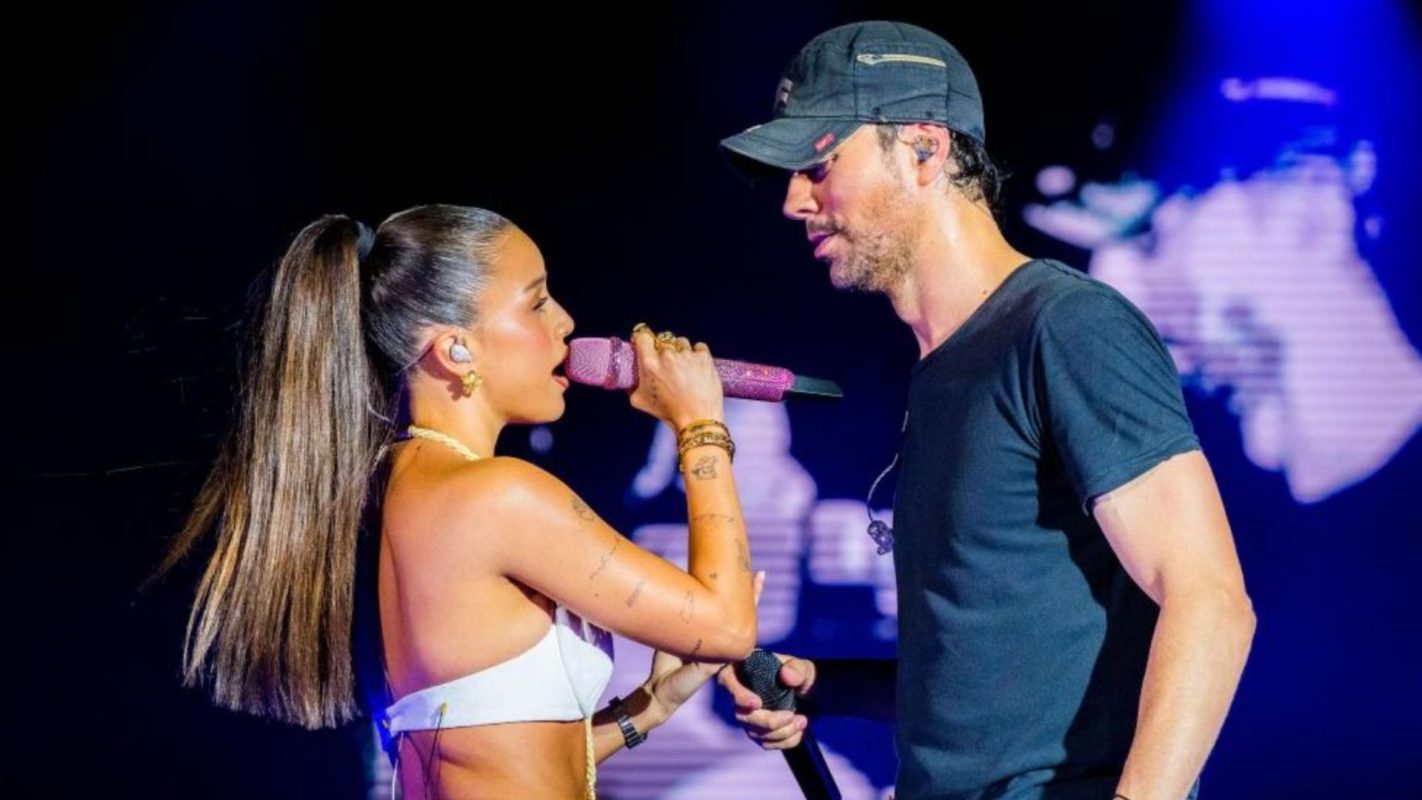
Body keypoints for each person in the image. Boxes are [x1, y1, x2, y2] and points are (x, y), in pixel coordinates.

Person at [716, 21, 1255, 799]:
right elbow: (996, 685)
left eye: (821, 163)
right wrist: (825, 688)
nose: (795, 201)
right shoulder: (943, 370)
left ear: (924, 149)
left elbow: (1211, 602)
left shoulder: (1066, 327)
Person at [160, 204, 761, 799]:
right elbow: (727, 626)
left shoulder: (395, 490)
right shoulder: (497, 496)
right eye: (536, 303)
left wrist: (647, 709)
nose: (566, 322)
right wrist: (699, 422)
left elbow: (490, 755)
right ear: (456, 350)